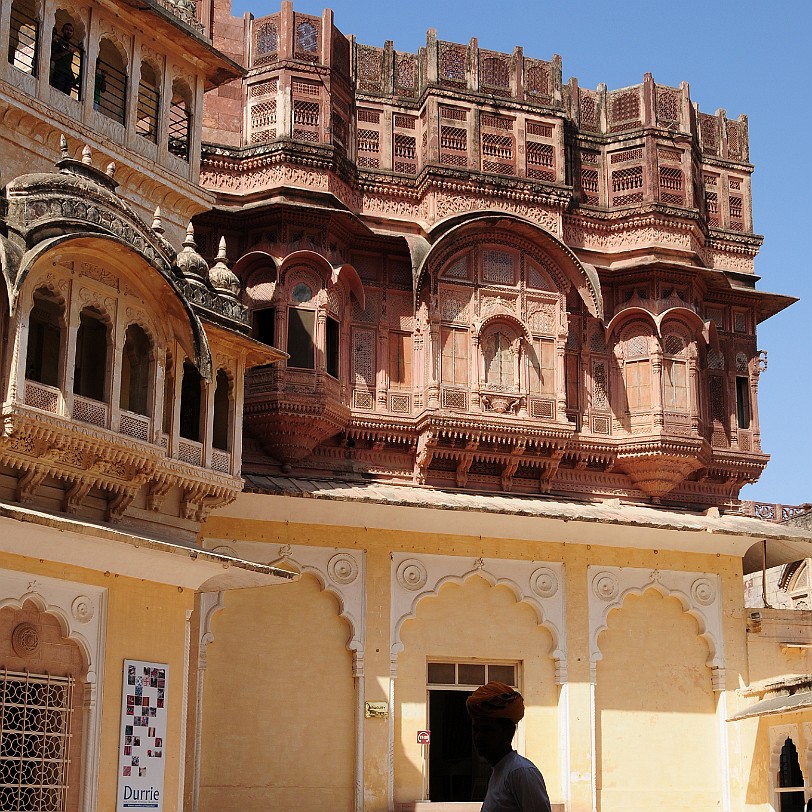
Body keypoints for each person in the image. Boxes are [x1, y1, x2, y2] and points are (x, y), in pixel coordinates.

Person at [467, 682, 551, 812]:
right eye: (475, 730)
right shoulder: (499, 771)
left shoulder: (521, 772)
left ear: (508, 732)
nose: (478, 737)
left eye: (486, 730)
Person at [50, 22, 78, 94]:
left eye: (71, 30)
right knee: (57, 94)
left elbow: (69, 64)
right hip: (59, 72)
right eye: (67, 29)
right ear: (62, 30)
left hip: (68, 75)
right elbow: (53, 57)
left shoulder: (70, 46)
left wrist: (73, 78)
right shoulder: (58, 42)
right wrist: (66, 52)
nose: (69, 32)